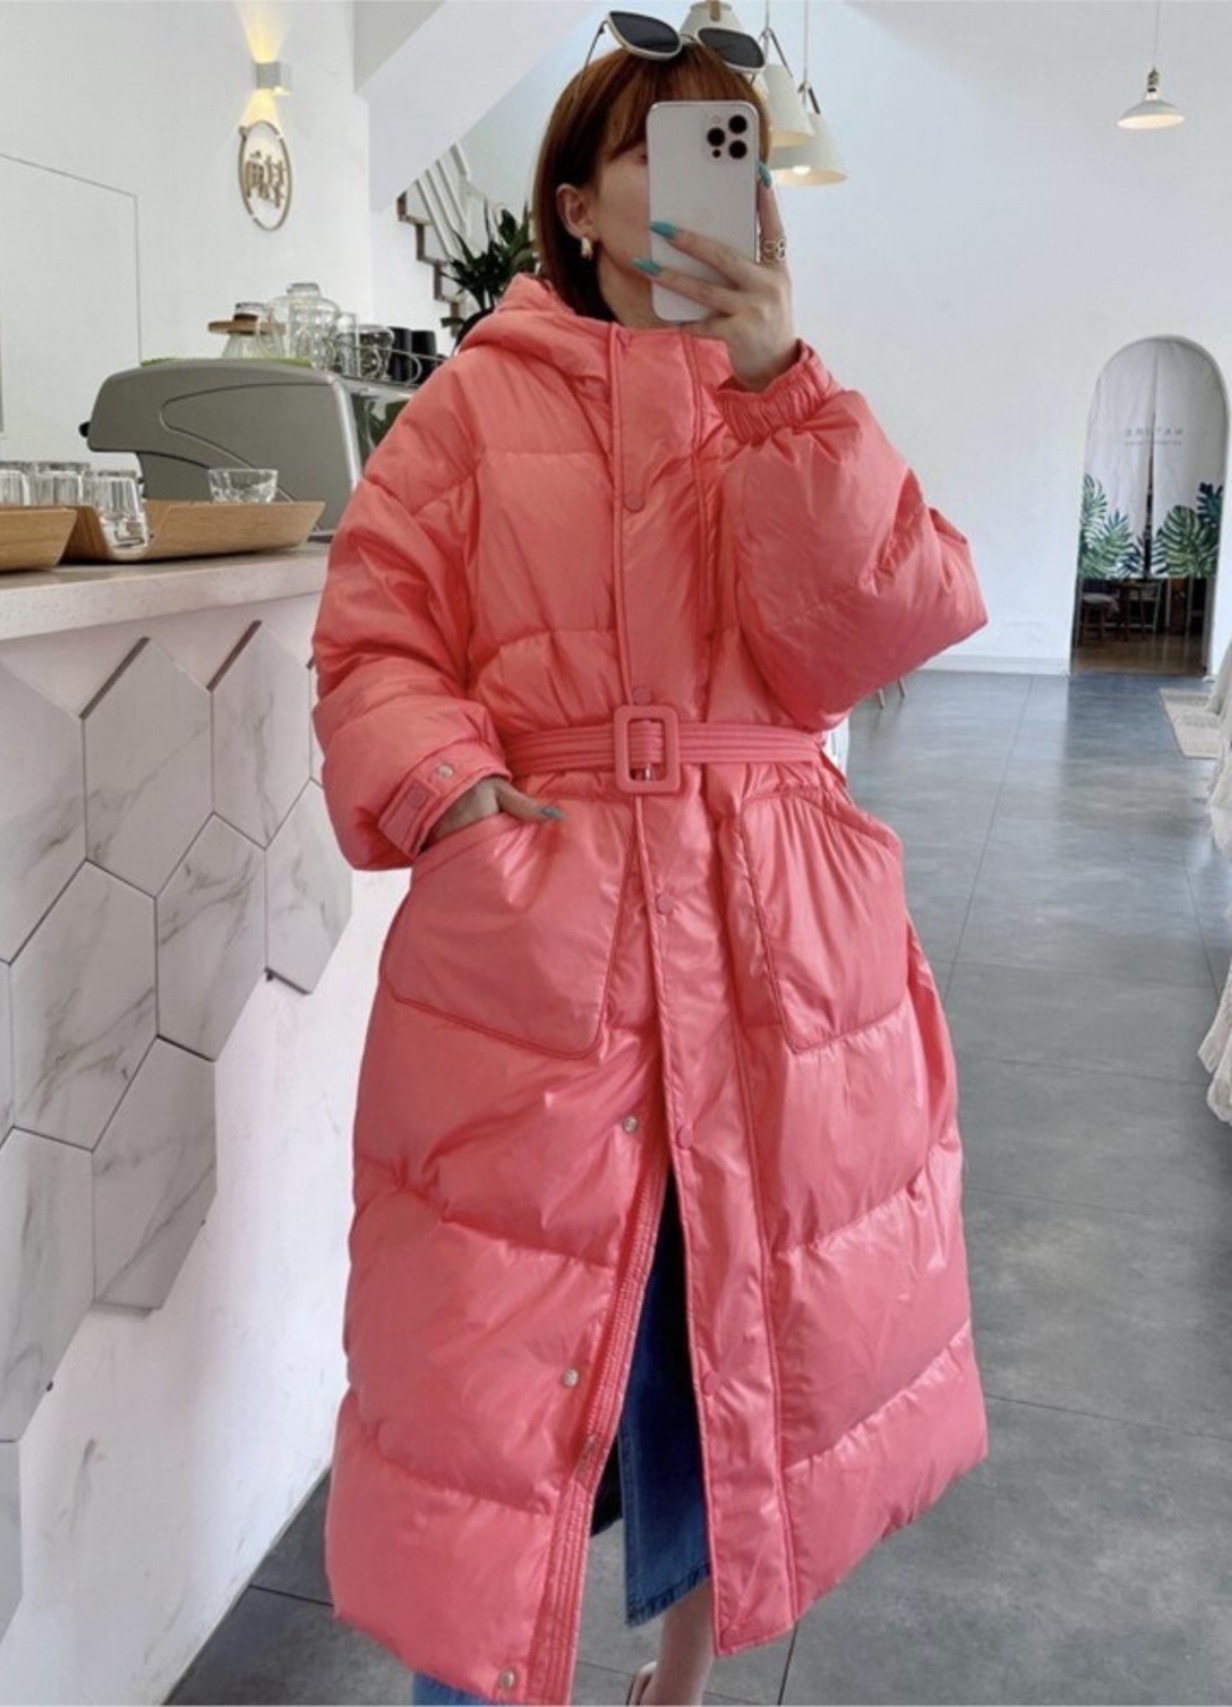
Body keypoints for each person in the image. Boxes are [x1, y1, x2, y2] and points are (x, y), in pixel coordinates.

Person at [309, 17, 991, 1707]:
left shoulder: (785, 400)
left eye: (730, 149)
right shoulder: (474, 403)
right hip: (546, 945)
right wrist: (458, 798)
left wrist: (783, 388)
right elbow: (374, 640)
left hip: (769, 939)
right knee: (493, 1351)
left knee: (732, 1331)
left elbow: (874, 632)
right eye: (660, 151)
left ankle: (678, 1680)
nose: (707, 184)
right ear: (576, 202)